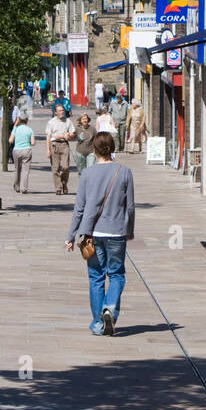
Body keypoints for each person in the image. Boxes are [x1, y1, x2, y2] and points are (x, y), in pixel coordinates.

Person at [66, 132, 135, 336]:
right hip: (116, 232)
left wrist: (71, 236)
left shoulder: (87, 174)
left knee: (96, 277)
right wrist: (129, 229)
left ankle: (98, 323)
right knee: (116, 274)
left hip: (92, 233)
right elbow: (130, 206)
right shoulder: (124, 172)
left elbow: (79, 208)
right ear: (112, 148)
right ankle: (110, 307)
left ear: (94, 150)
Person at [46, 103, 75, 195]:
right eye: (60, 111)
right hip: (54, 145)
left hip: (64, 145)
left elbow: (72, 134)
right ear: (55, 112)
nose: (62, 112)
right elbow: (48, 136)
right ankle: (58, 188)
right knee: (55, 168)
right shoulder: (51, 122)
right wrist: (47, 149)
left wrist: (69, 136)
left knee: (65, 167)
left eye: (63, 110)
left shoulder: (68, 121)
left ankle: (64, 183)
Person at [9, 114, 36, 193]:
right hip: (26, 150)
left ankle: (17, 186)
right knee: (25, 170)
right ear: (27, 121)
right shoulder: (30, 130)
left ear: (19, 120)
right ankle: (24, 188)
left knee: (17, 169)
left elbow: (10, 140)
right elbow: (33, 142)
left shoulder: (16, 129)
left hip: (16, 150)